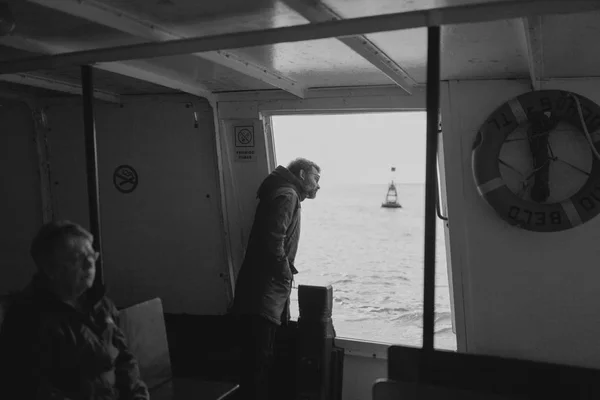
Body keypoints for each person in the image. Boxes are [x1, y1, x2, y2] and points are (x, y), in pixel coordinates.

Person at [0, 220, 149, 400]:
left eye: (91, 256)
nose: (89, 265)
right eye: (77, 258)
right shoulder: (26, 319)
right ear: (50, 269)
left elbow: (125, 359)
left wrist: (137, 396)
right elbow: (32, 389)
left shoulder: (100, 304)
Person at [232, 157, 321, 400]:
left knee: (257, 360)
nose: (318, 186)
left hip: (260, 291)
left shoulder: (279, 190)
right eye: (316, 178)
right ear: (302, 174)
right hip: (265, 293)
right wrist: (284, 274)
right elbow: (274, 240)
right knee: (258, 361)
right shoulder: (288, 195)